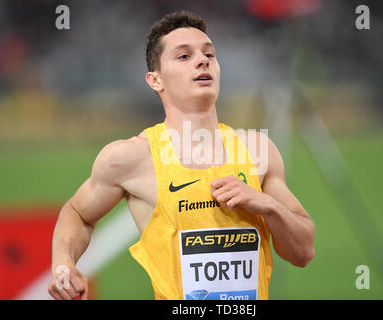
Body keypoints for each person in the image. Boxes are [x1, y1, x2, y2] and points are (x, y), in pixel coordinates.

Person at [48, 10, 315, 300]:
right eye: (184, 56)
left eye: (209, 55)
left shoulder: (257, 150)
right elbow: (77, 213)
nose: (203, 61)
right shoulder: (131, 157)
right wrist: (64, 264)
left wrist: (267, 205)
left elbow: (302, 252)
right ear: (155, 80)